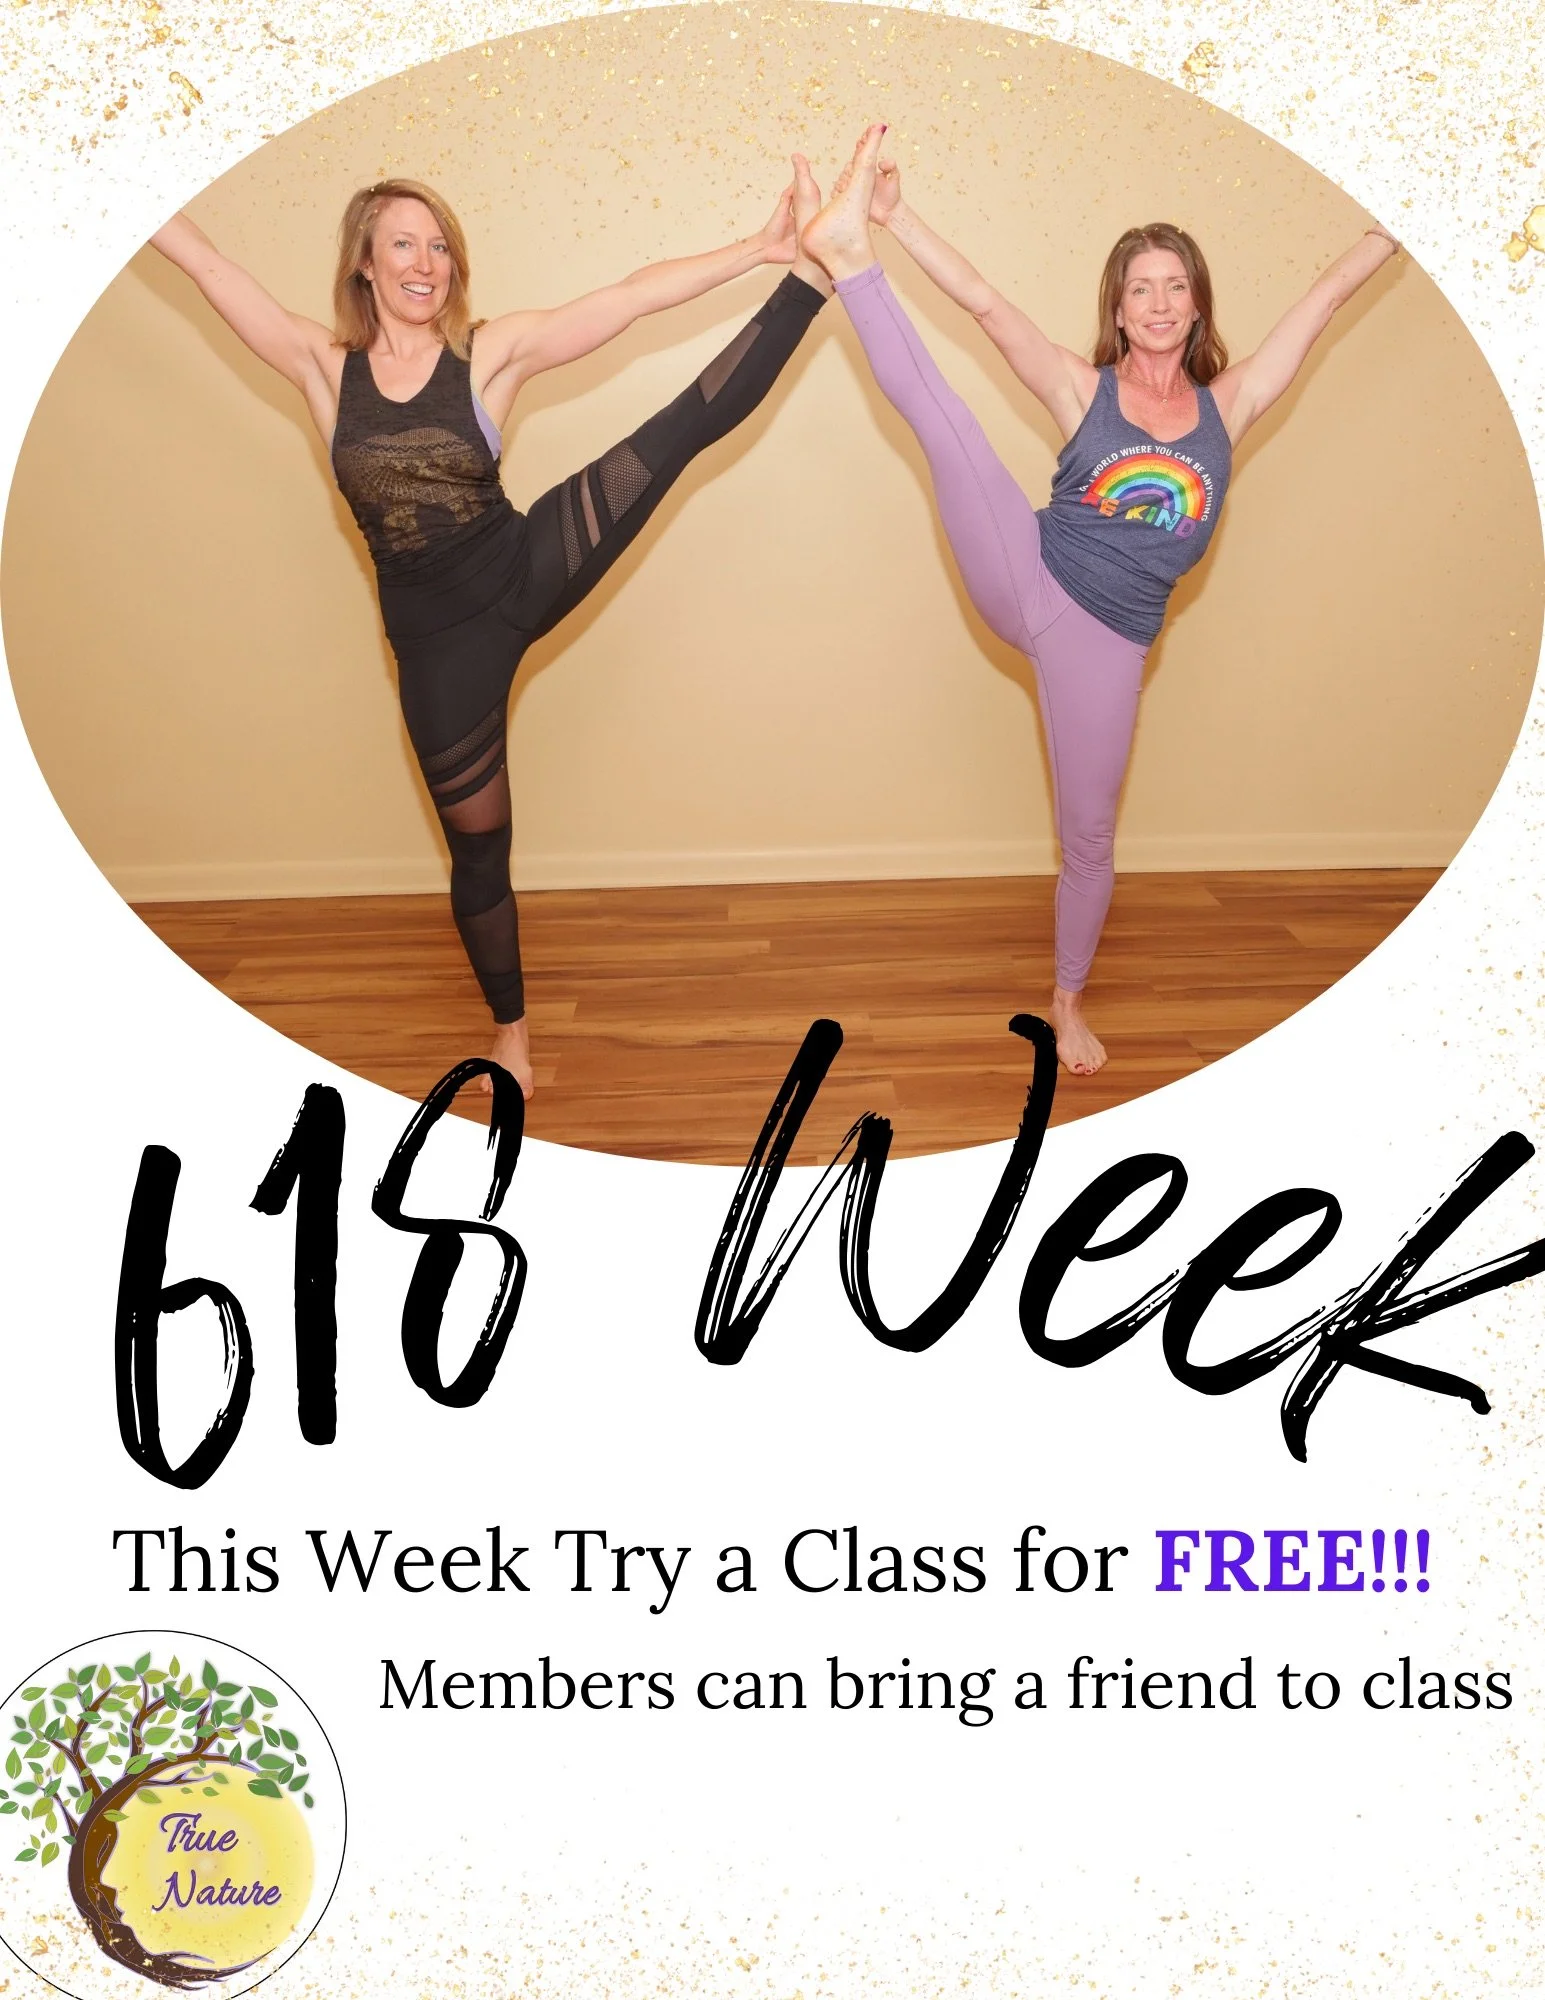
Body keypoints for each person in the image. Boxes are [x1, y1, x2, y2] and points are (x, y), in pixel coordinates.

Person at [151, 171, 831, 1097]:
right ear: (364, 261)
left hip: (520, 566)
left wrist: (758, 251)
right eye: (402, 243)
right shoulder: (322, 367)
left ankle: (814, 284)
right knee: (480, 847)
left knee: (675, 433)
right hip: (438, 647)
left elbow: (626, 299)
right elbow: (201, 260)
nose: (424, 263)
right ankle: (511, 1028)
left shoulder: (488, 354)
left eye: (438, 245)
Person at [798, 127, 1399, 1075]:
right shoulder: (1083, 390)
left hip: (1110, 643)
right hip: (1030, 570)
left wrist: (1396, 225)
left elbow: (1319, 304)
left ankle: (1065, 1001)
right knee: (952, 429)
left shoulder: (1229, 406)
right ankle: (849, 258)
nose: (1158, 303)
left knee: (1087, 834)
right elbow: (989, 309)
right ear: (1117, 311)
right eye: (1139, 288)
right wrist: (896, 216)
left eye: (1174, 285)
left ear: (1195, 305)